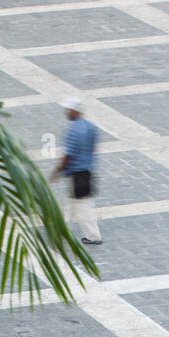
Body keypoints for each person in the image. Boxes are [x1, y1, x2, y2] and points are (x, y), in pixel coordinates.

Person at [50, 95, 101, 246]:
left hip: (77, 174)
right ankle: (62, 229)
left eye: (68, 109)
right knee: (72, 203)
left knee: (83, 206)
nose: (66, 112)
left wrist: (58, 170)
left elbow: (69, 154)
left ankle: (93, 235)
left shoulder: (74, 130)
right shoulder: (91, 127)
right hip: (87, 171)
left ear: (74, 111)